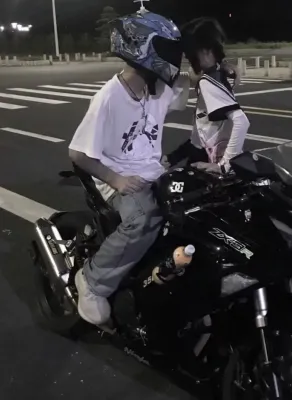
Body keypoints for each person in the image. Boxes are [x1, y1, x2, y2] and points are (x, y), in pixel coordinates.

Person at [68, 10, 191, 326]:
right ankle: (92, 281)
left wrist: (209, 72)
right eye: (166, 49)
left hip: (152, 171)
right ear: (142, 47)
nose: (173, 57)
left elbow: (180, 101)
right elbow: (78, 153)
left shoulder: (156, 88)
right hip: (120, 178)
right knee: (143, 218)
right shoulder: (108, 98)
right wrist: (116, 179)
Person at [164, 18, 250, 174]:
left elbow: (241, 121)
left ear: (206, 50)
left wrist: (224, 166)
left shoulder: (208, 81)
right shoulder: (217, 73)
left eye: (190, 52)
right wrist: (172, 158)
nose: (187, 57)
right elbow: (202, 134)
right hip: (204, 154)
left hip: (212, 164)